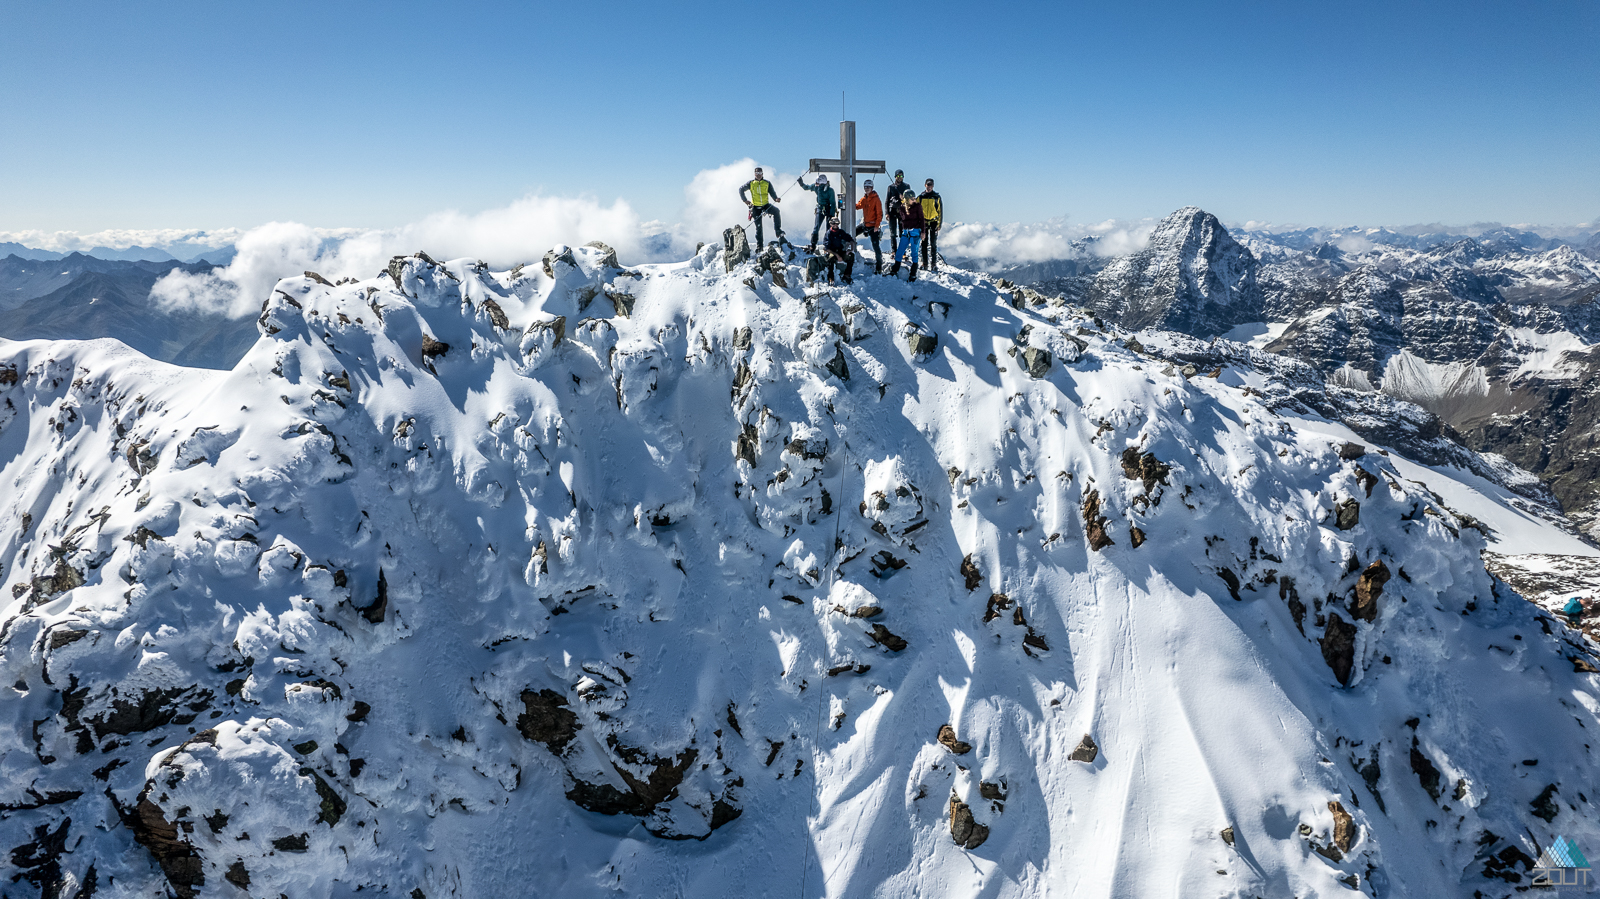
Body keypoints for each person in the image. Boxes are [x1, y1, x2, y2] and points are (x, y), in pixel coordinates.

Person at [738, 167, 783, 248]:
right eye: (757, 173)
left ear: (762, 174)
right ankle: (760, 246)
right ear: (754, 174)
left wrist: (775, 198)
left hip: (766, 205)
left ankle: (778, 231)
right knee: (759, 228)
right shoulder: (751, 183)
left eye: (760, 173)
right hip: (755, 207)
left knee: (776, 211)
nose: (758, 175)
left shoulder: (767, 183)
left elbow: (772, 192)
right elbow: (741, 189)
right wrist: (745, 200)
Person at [889, 190, 924, 281]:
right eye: (912, 198)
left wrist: (923, 232)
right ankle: (894, 270)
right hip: (906, 232)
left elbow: (922, 219)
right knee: (900, 251)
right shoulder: (902, 208)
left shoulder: (917, 206)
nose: (914, 200)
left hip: (915, 232)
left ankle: (913, 274)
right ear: (907, 199)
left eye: (914, 198)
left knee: (914, 253)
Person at [797, 174, 837, 253]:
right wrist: (801, 183)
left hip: (826, 209)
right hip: (821, 208)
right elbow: (806, 187)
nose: (816, 183)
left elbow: (833, 203)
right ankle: (814, 245)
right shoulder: (824, 189)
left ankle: (825, 246)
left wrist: (831, 215)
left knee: (826, 228)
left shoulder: (827, 190)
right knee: (818, 227)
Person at [854, 179, 884, 274]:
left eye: (868, 187)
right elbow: (858, 206)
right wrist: (848, 203)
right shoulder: (864, 198)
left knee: (876, 246)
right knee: (851, 233)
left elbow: (879, 213)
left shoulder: (876, 199)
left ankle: (879, 267)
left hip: (873, 226)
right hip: (865, 224)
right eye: (865, 187)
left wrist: (877, 226)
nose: (867, 189)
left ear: (872, 188)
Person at [918, 178, 944, 272]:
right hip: (923, 222)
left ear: (933, 186)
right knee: (924, 244)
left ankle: (933, 264)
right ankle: (925, 263)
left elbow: (940, 211)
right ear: (925, 185)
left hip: (933, 222)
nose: (929, 187)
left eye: (931, 185)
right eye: (928, 185)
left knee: (933, 244)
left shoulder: (936, 197)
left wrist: (939, 224)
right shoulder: (920, 197)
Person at [822, 217, 855, 285]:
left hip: (840, 251)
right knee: (830, 260)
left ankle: (847, 275)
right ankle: (831, 278)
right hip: (832, 252)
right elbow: (827, 248)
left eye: (837, 223)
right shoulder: (828, 234)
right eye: (833, 223)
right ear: (831, 224)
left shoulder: (841, 232)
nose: (835, 225)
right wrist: (837, 256)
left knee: (851, 256)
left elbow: (849, 238)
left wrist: (851, 248)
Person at [883, 170, 911, 249]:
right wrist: (886, 213)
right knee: (893, 233)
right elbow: (887, 201)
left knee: (903, 233)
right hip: (892, 212)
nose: (899, 178)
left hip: (903, 213)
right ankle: (894, 250)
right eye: (898, 176)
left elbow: (910, 200)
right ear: (895, 177)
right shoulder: (891, 187)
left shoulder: (906, 186)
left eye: (901, 176)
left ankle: (903, 251)